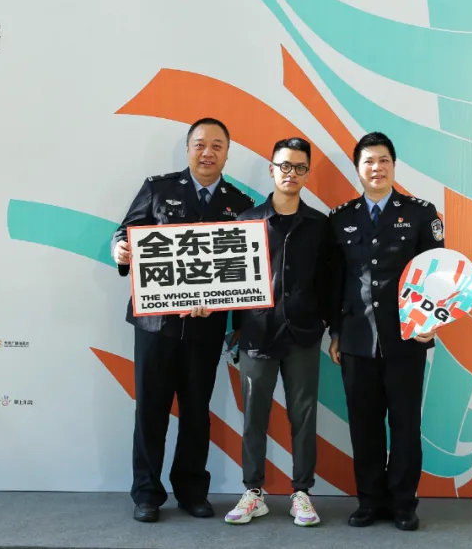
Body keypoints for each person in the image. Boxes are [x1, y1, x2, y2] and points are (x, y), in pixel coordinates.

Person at [111, 117, 255, 523]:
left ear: (227, 153)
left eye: (216, 145)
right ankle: (146, 494)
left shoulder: (240, 203)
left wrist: (234, 316)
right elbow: (126, 234)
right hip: (156, 324)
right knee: (150, 410)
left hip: (207, 326)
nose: (207, 152)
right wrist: (120, 250)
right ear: (188, 148)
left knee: (196, 410)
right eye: (200, 144)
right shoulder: (158, 189)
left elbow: (244, 269)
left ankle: (192, 491)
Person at [327, 131, 446, 531]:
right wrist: (336, 332)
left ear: (394, 166)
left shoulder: (420, 213)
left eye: (383, 160)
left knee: (406, 425)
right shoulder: (341, 217)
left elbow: (437, 273)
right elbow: (335, 280)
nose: (376, 168)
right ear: (357, 168)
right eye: (368, 161)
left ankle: (403, 504)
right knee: (364, 425)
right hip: (356, 338)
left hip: (407, 337)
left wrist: (431, 322)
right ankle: (369, 501)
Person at [223, 138, 338, 528]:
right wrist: (235, 329)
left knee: (303, 416)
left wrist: (330, 326)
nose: (291, 173)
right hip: (257, 334)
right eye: (285, 166)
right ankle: (253, 492)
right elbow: (231, 282)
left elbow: (331, 282)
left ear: (307, 174)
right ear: (272, 169)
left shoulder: (320, 225)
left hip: (303, 334)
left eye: (300, 167)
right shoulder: (247, 221)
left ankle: (301, 492)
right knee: (254, 416)